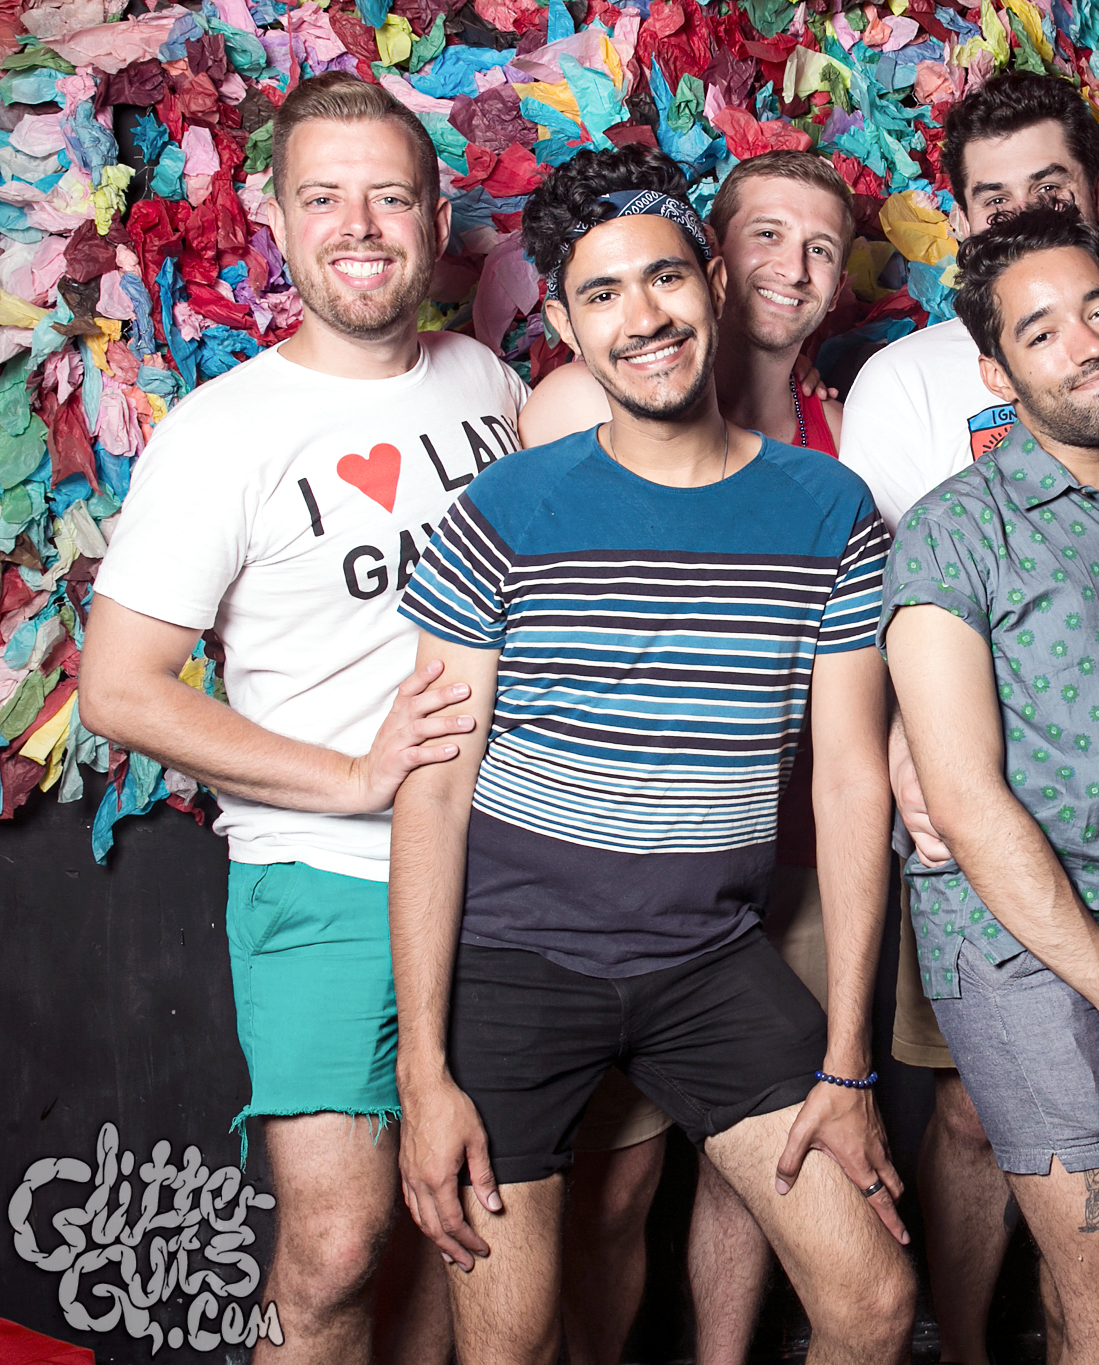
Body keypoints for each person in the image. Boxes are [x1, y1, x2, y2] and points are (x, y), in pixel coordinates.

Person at [385, 144, 914, 1365]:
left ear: (713, 284)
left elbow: (848, 782)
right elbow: (435, 791)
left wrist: (846, 1066)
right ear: (567, 328)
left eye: (666, 278)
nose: (645, 318)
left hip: (709, 960)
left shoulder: (828, 511)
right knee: (509, 1340)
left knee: (873, 1304)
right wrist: (424, 1074)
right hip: (517, 965)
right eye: (604, 294)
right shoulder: (507, 510)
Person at [76, 73, 527, 1365]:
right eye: (324, 197)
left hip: (508, 871)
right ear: (273, 216)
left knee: (475, 1222)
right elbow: (118, 687)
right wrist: (348, 775)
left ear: (436, 212)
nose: (361, 226)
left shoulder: (489, 382)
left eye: (390, 195)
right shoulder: (221, 434)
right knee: (334, 1246)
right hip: (324, 876)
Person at [838, 70, 1099, 1365]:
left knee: (1094, 1306)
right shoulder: (957, 529)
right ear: (996, 364)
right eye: (1043, 329)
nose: (1087, 345)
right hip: (1033, 952)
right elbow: (960, 791)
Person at [513, 148, 859, 1365]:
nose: (792, 269)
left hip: (787, 846)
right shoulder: (582, 404)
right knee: (613, 1183)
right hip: (618, 876)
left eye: (821, 248)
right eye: (768, 235)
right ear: (715, 256)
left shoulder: (833, 433)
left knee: (757, 1164)